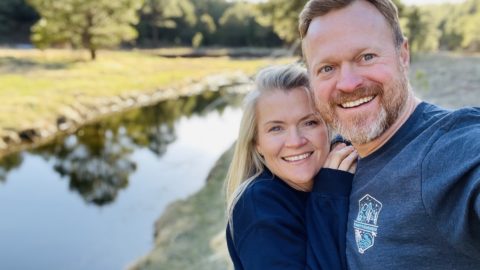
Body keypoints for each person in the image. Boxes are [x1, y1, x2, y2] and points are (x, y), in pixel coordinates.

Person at [299, 0, 480, 269]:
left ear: (403, 56)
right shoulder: (333, 158)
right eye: (327, 68)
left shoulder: (448, 149)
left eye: (367, 57)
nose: (348, 83)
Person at [225, 64, 358, 269]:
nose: (295, 141)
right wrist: (329, 197)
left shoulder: (342, 168)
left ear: (327, 127)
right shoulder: (258, 206)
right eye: (276, 128)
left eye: (309, 123)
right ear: (257, 143)